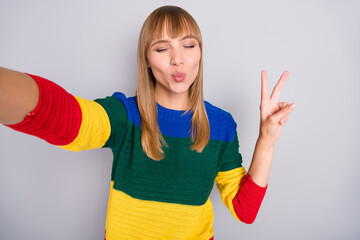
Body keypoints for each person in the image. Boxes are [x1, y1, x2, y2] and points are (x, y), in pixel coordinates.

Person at [0, 5, 295, 240]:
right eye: (162, 48)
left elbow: (245, 209)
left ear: (200, 54)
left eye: (188, 46)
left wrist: (266, 139)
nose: (178, 60)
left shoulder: (221, 125)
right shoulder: (125, 115)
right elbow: (68, 118)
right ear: (147, 59)